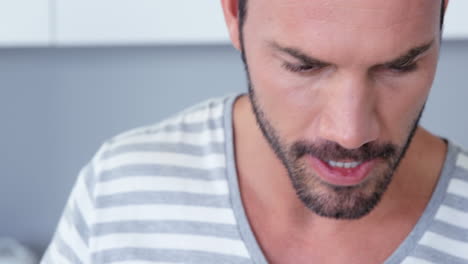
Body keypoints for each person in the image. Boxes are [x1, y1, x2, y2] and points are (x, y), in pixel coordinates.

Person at [41, 0, 468, 263]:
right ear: (233, 13)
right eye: (304, 66)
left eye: (399, 66)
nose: (350, 133)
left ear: (443, 13)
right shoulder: (120, 192)